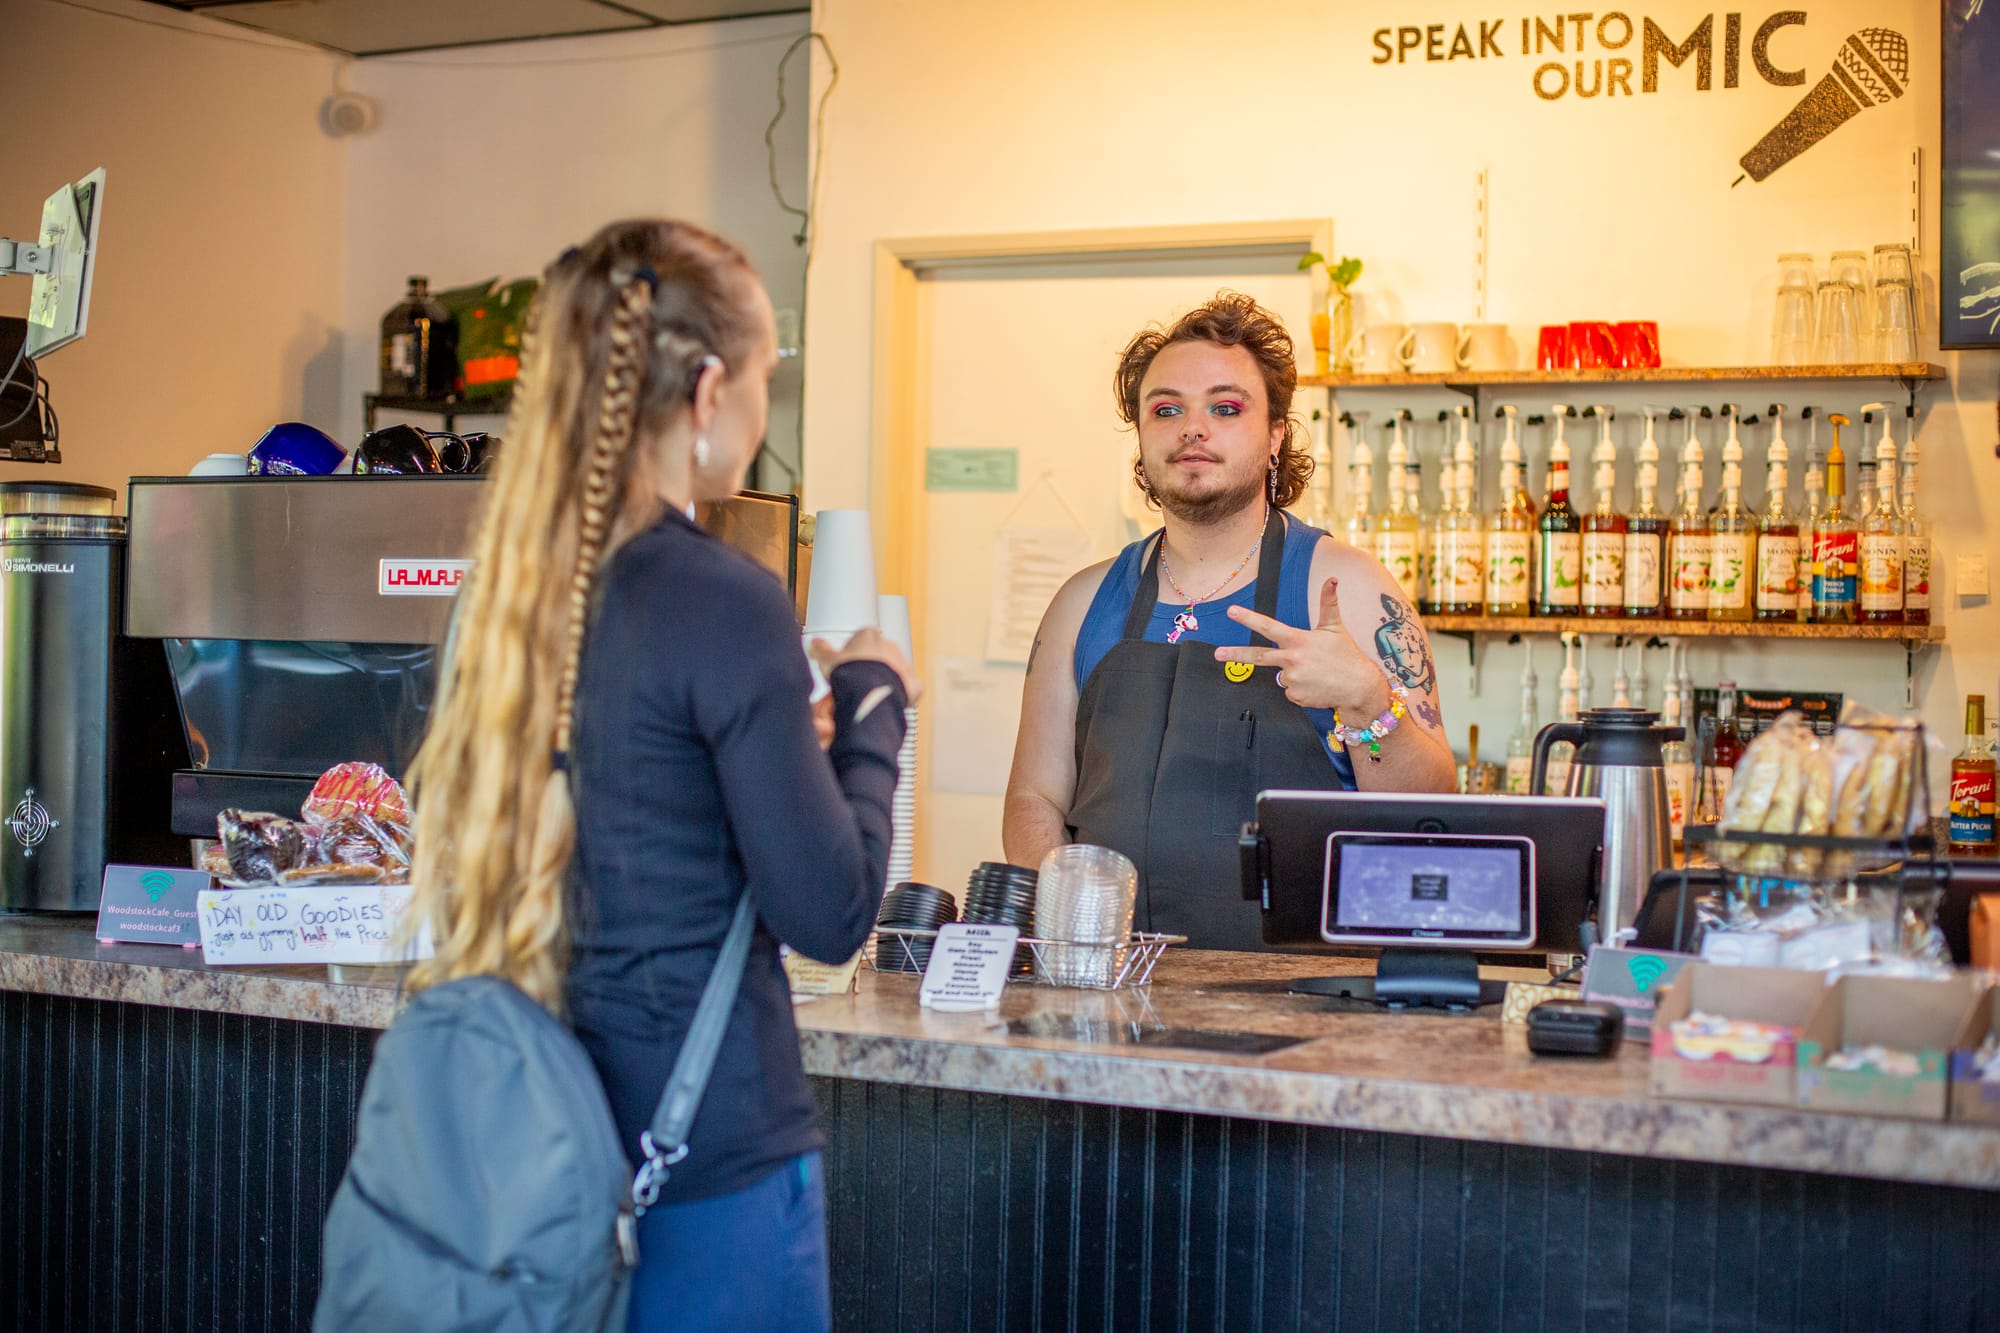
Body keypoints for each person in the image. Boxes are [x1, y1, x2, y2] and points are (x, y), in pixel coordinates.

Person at [400, 220, 915, 1332]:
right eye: (768, 378)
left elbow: (639, 804)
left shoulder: (500, 599)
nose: (763, 413)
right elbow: (828, 911)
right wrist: (872, 708)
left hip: (525, 1145)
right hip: (705, 1164)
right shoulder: (723, 596)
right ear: (710, 389)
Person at [1003, 293, 1454, 951]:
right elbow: (1033, 798)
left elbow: (1431, 813)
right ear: (1142, 436)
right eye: (1166, 409)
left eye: (1225, 407)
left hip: (1303, 1004)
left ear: (1275, 435)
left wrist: (1367, 700)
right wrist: (1067, 906)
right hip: (1109, 990)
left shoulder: (1347, 588)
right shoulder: (1083, 601)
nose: (1193, 428)